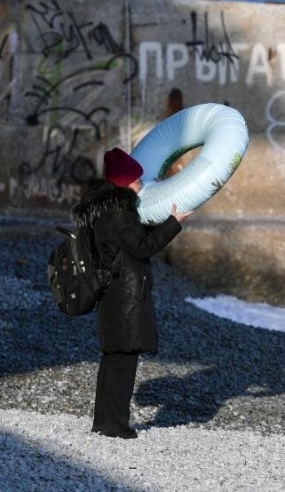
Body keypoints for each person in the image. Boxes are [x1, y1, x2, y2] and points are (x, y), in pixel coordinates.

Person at [71, 147, 192, 439]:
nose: (141, 184)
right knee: (124, 360)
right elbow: (143, 247)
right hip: (125, 295)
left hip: (113, 293)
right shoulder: (118, 212)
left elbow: (132, 243)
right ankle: (115, 425)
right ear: (123, 182)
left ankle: (104, 421)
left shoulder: (103, 208)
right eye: (136, 181)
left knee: (114, 358)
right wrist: (174, 224)